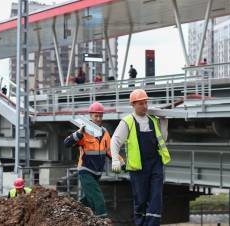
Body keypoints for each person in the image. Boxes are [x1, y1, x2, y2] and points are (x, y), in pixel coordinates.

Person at [110, 89, 171, 226]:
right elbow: (115, 141)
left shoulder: (153, 120)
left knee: (156, 197)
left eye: (145, 103)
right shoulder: (127, 122)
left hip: (155, 163)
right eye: (141, 104)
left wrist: (164, 121)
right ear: (133, 105)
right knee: (141, 200)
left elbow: (163, 139)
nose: (145, 106)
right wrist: (115, 159)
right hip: (138, 167)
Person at [64, 101, 123, 218]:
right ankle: (103, 218)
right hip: (86, 171)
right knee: (98, 198)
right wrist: (78, 134)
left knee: (88, 199)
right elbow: (67, 143)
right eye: (96, 116)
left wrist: (121, 162)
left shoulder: (105, 132)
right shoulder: (83, 131)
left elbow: (110, 150)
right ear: (90, 116)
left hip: (97, 173)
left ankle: (72, 215)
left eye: (100, 116)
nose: (98, 118)